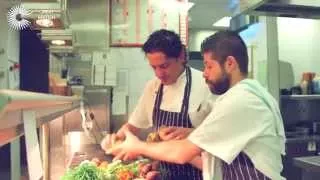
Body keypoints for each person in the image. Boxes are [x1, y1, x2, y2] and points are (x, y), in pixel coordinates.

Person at [107, 30, 286, 180]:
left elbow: (182, 153)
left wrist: (138, 146)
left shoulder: (241, 100)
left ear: (230, 63)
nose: (205, 74)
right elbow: (226, 134)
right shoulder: (243, 95)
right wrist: (191, 133)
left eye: (208, 66)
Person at [101, 29, 215, 180]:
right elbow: (132, 127)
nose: (159, 74)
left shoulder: (206, 85)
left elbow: (217, 140)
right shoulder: (153, 87)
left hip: (200, 174)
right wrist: (114, 139)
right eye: (153, 67)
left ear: (181, 56)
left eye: (164, 66)